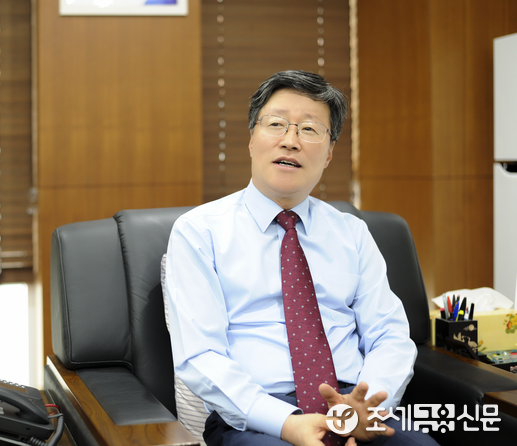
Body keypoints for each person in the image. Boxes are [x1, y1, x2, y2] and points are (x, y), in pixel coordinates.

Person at [164, 70, 438, 446]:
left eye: (309, 129)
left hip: (352, 406)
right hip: (257, 417)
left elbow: (388, 334)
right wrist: (287, 423)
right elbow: (201, 354)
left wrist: (369, 405)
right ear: (251, 139)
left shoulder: (352, 232)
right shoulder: (199, 232)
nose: (290, 141)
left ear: (329, 154)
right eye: (276, 124)